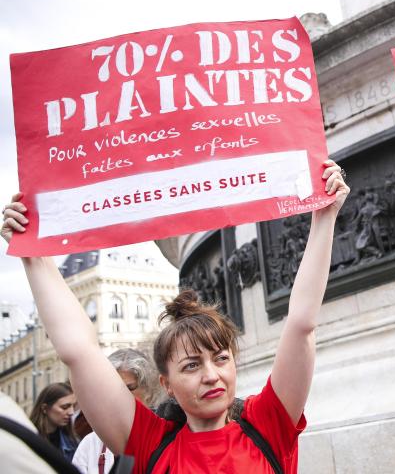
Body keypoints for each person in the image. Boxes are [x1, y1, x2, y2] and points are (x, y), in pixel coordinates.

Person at [3, 160, 348, 473]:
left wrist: (325, 217)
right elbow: (79, 351)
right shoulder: (148, 441)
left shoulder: (267, 423)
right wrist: (35, 256)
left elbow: (301, 323)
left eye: (221, 358)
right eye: (191, 366)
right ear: (165, 383)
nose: (211, 375)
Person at [72, 348, 159, 474]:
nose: (120, 397)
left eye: (129, 388)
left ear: (149, 392)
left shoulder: (168, 439)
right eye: (112, 389)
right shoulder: (91, 444)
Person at [29, 382, 79, 462]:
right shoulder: (26, 439)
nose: (71, 412)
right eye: (65, 407)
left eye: (74, 406)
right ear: (44, 408)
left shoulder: (73, 443)